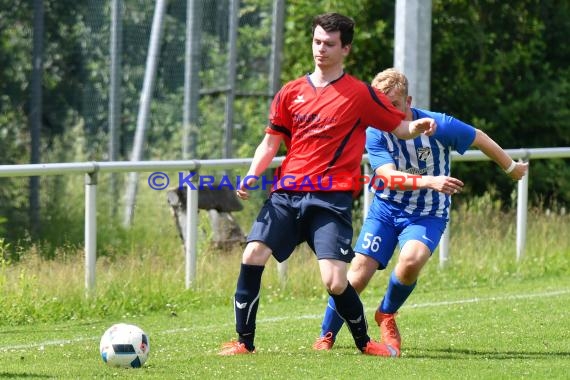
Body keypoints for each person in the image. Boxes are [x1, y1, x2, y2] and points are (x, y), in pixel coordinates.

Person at [218, 14, 437, 357]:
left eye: (330, 44)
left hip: (330, 198)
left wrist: (418, 126)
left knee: (335, 281)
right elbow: (270, 143)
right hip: (287, 193)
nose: (321, 49)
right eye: (317, 41)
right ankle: (244, 342)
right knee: (252, 254)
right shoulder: (290, 92)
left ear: (345, 48)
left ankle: (365, 343)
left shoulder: (361, 95)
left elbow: (399, 127)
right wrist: (251, 174)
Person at [313, 68, 528, 354]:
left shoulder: (439, 125)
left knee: (411, 261)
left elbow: (478, 137)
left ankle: (386, 314)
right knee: (357, 277)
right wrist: (430, 181)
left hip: (427, 213)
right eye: (382, 107)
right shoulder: (375, 132)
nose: (389, 113)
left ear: (408, 101)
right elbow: (388, 176)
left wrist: (511, 167)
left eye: (395, 106)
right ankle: (326, 335)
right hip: (386, 210)